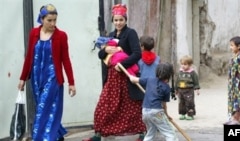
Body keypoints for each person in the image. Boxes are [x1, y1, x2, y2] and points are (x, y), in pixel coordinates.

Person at [83, 4, 146, 141]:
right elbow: (100, 55)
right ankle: (98, 134)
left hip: (126, 76)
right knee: (104, 106)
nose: (118, 23)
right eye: (116, 20)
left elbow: (137, 54)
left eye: (121, 20)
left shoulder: (130, 33)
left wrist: (122, 64)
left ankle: (143, 133)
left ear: (125, 20)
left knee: (132, 107)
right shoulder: (110, 36)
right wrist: (105, 51)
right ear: (113, 20)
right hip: (112, 78)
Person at [17, 4, 76, 141]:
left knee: (43, 111)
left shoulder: (61, 36)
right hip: (36, 79)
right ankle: (57, 134)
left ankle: (39, 138)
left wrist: (71, 82)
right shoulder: (33, 33)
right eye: (49, 20)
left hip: (53, 78)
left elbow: (65, 60)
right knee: (44, 109)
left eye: (55, 20)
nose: (53, 23)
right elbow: (29, 56)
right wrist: (22, 78)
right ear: (42, 19)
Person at [129, 62, 179, 141]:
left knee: (151, 132)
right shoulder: (166, 87)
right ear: (169, 75)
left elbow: (133, 80)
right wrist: (166, 115)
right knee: (169, 132)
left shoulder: (149, 80)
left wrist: (130, 75)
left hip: (145, 111)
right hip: (157, 112)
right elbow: (164, 105)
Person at [224, 36, 240, 125]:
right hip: (234, 84)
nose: (230, 47)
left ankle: (236, 119)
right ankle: (235, 117)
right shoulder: (234, 57)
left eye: (232, 45)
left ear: (238, 46)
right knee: (234, 100)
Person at [175, 55, 200, 120]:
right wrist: (176, 89)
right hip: (181, 90)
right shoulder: (180, 72)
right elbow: (177, 81)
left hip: (189, 90)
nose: (183, 66)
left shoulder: (192, 73)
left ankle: (190, 114)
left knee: (189, 102)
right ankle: (182, 114)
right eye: (182, 64)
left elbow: (196, 81)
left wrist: (197, 89)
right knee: (181, 102)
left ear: (190, 65)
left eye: (185, 64)